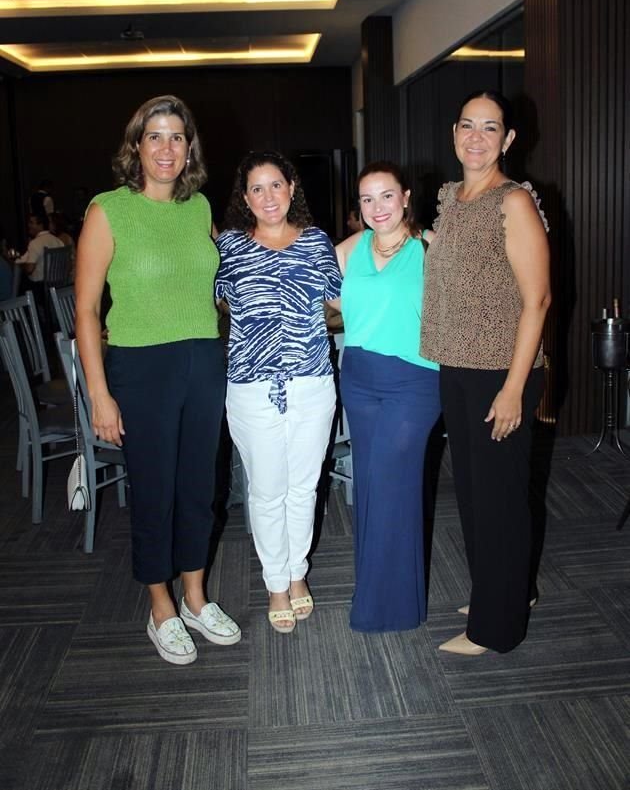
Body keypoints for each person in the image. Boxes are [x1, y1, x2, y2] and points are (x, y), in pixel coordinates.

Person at [75, 94, 240, 666]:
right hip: (140, 366)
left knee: (201, 486)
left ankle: (196, 595)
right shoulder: (107, 210)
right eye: (155, 137)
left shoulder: (198, 209)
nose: (166, 148)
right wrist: (99, 392)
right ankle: (160, 604)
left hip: (202, 359)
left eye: (176, 137)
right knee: (155, 491)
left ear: (188, 147)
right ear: (136, 147)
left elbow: (221, 280)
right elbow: (87, 312)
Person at [421, 90, 551, 655]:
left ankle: (496, 630)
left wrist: (515, 389)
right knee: (476, 498)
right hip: (458, 367)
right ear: (454, 133)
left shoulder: (512, 201)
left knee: (497, 502)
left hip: (502, 372)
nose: (477, 137)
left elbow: (538, 301)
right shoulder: (452, 197)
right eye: (468, 125)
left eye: (490, 128)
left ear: (508, 139)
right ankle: (504, 591)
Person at [215, 151, 341, 633]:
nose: (268, 197)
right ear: (245, 198)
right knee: (267, 491)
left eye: (275, 185)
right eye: (256, 189)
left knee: (304, 486)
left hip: (312, 383)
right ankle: (275, 583)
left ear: (291, 187)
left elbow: (338, 303)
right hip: (250, 387)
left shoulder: (315, 242)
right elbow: (204, 303)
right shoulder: (227, 247)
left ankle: (296, 573)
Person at [334, 161, 440, 633]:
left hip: (415, 382)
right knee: (373, 485)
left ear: (406, 197)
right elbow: (311, 293)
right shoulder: (348, 250)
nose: (377, 207)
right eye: (367, 199)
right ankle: (389, 596)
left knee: (392, 480)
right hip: (358, 378)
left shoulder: (430, 247)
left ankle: (383, 605)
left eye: (387, 196)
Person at [15, 212, 64, 304]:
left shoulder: (36, 243)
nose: (28, 225)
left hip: (40, 288)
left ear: (40, 225)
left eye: (31, 222)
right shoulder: (58, 241)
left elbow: (29, 269)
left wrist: (21, 266)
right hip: (59, 286)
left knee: (20, 283)